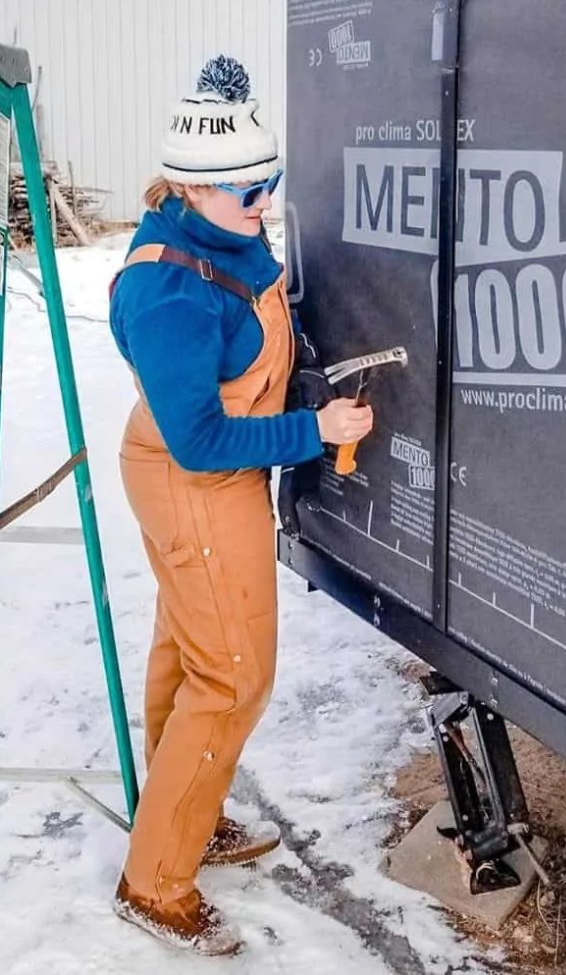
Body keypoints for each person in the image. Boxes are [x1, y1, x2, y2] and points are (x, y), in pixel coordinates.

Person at [108, 54, 372, 954]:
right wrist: (312, 428)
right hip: (197, 478)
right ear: (191, 185)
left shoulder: (223, 236)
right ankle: (156, 882)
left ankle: (179, 814)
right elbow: (200, 440)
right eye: (248, 191)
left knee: (190, 652)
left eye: (271, 182)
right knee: (234, 674)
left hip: (208, 469)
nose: (265, 202)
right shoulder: (171, 290)